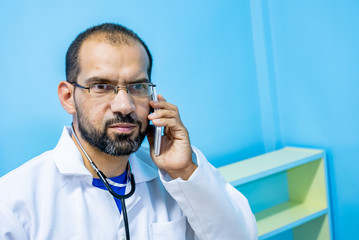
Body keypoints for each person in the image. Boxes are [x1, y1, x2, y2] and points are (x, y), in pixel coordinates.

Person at [0, 23, 257, 240]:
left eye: (137, 86)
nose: (125, 105)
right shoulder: (14, 200)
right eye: (101, 86)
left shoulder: (176, 175)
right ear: (68, 97)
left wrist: (184, 171)